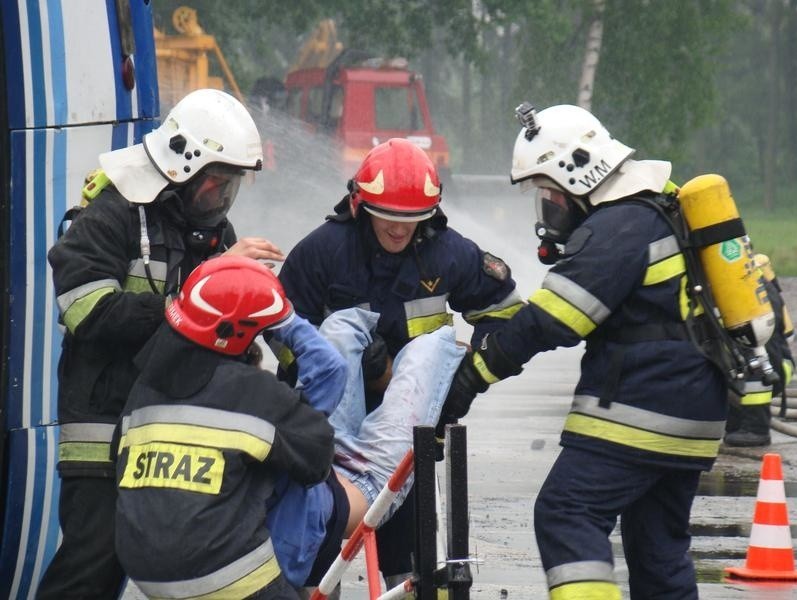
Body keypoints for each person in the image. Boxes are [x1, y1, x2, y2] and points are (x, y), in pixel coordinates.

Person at [441, 103, 730, 599]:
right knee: (659, 551)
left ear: (577, 174)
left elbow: (555, 318)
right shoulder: (659, 208)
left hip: (641, 407)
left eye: (549, 194)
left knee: (566, 512)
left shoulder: (620, 226)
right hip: (695, 413)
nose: (548, 209)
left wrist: (473, 373)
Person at [39, 89, 285, 599]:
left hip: (170, 439)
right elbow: (87, 311)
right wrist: (204, 284)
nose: (221, 200)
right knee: (91, 571)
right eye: (216, 185)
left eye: (230, 188)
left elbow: (222, 335)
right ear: (181, 164)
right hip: (103, 435)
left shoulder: (213, 233)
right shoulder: (112, 214)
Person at [113, 255, 465, 598]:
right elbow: (318, 449)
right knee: (431, 348)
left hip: (152, 576)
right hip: (247, 567)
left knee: (342, 327)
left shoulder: (141, 396)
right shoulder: (254, 394)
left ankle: (356, 324)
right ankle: (428, 342)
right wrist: (286, 322)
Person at [275, 137, 524, 589]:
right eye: (387, 218)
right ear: (360, 205)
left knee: (408, 559)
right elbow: (283, 333)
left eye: (411, 220)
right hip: (333, 426)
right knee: (316, 555)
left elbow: (506, 312)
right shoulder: (324, 251)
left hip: (409, 429)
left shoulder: (448, 253)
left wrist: (468, 379)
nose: (397, 230)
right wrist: (324, 370)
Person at [724, 253, 796, 446]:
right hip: (756, 364)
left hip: (772, 367)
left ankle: (756, 427)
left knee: (752, 353)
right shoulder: (734, 282)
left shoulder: (752, 290)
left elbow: (767, 348)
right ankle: (735, 423)